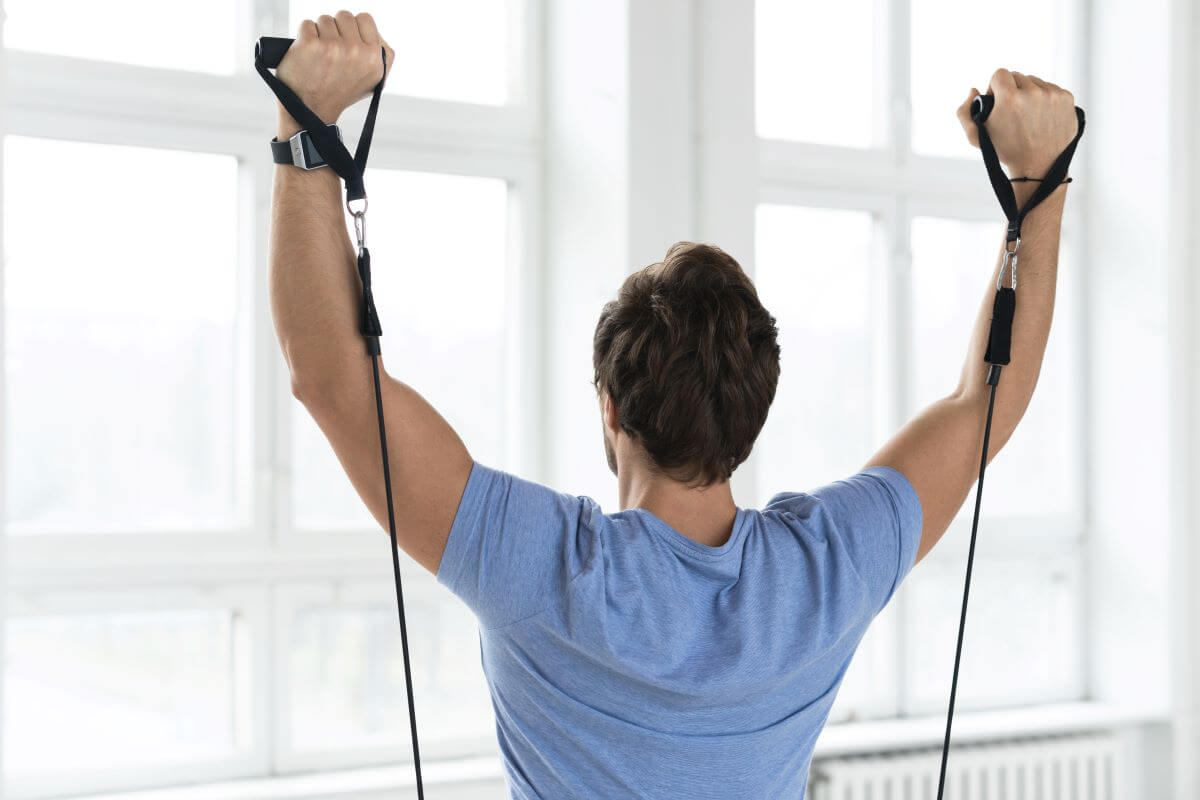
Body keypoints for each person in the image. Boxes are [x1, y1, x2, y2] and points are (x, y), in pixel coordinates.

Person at [268, 11, 1080, 799]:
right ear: (753, 414)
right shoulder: (828, 569)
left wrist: (308, 129)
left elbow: (333, 378)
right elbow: (987, 406)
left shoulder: (542, 569)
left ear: (610, 410)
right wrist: (1038, 185)